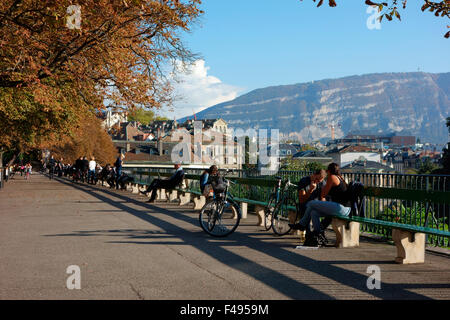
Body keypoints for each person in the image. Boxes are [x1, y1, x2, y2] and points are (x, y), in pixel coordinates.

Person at [291, 163, 351, 247]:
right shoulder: (339, 177)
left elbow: (323, 194)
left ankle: (302, 224)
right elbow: (323, 197)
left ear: (329, 171)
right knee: (314, 212)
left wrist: (314, 189)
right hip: (341, 208)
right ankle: (318, 234)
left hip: (341, 208)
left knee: (311, 203)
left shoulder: (332, 177)